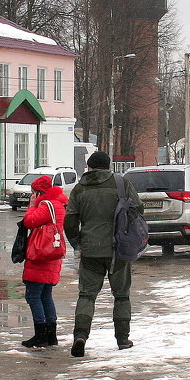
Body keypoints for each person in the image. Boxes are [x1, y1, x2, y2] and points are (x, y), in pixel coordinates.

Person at [63, 150, 142, 357]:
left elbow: (70, 221)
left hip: (90, 249)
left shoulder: (79, 189)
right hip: (119, 249)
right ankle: (123, 339)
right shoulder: (121, 183)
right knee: (121, 295)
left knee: (87, 295)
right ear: (108, 166)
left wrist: (78, 243)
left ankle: (80, 336)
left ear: (89, 167)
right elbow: (138, 209)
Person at [21, 175, 68, 348]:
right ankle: (51, 335)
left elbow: (29, 221)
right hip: (51, 254)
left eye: (33, 192)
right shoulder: (58, 203)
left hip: (41, 255)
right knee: (45, 295)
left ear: (39, 191)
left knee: (33, 296)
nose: (32, 196)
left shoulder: (46, 205)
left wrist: (32, 205)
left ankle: (41, 335)